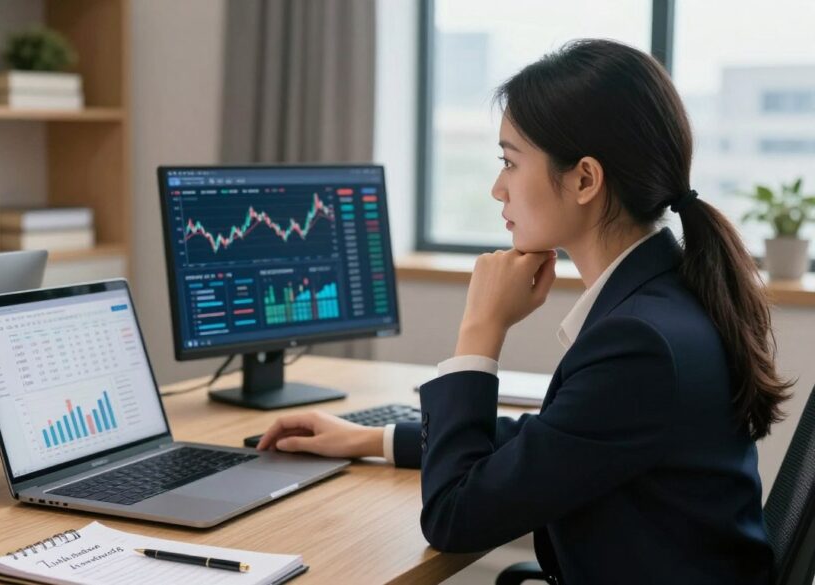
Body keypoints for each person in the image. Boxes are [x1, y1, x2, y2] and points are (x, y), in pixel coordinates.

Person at [256, 39, 789, 584]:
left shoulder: (640, 342)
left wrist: (481, 328)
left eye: (510, 162)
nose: (496, 188)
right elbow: (555, 441)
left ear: (585, 179)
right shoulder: (666, 298)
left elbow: (453, 517)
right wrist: (370, 438)